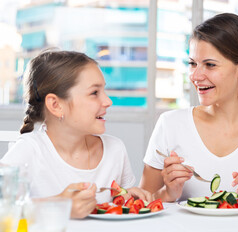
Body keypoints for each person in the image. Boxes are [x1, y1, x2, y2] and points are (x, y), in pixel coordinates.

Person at [139, 13, 238, 203]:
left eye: (210, 65)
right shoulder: (170, 125)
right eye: (192, 63)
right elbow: (141, 203)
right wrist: (167, 192)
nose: (195, 76)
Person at [1, 50, 153, 218]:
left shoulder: (115, 149)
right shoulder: (29, 150)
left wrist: (126, 198)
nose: (108, 101)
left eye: (104, 91)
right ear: (56, 105)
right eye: (94, 93)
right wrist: (60, 205)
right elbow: (4, 208)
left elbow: (119, 205)